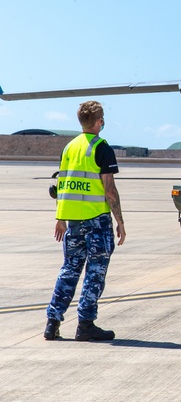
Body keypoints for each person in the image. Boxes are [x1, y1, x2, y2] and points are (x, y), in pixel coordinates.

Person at [44, 101, 126, 342]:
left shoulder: (69, 148)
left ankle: (52, 322)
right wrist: (120, 220)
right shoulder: (102, 148)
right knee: (94, 273)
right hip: (97, 221)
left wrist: (60, 217)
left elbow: (63, 184)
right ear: (99, 122)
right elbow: (109, 190)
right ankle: (86, 324)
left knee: (69, 271)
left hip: (73, 222)